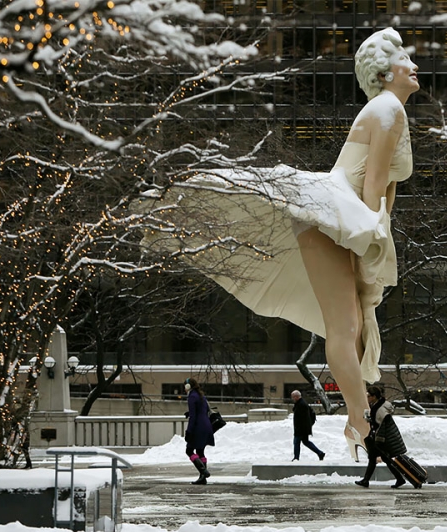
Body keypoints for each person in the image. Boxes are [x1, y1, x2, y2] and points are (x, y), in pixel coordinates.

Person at [137, 28, 418, 461]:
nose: (413, 64)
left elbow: (378, 186)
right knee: (345, 328)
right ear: (384, 72)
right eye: (404, 57)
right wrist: (373, 238)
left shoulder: (386, 108)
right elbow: (376, 183)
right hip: (333, 215)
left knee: (352, 329)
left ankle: (359, 419)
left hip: (334, 215)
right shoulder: (387, 108)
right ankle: (362, 420)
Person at [355, 385, 407, 488]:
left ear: (374, 396)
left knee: (377, 458)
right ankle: (399, 479)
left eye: (369, 396)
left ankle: (366, 480)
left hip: (382, 438)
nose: (368, 398)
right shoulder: (377, 405)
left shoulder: (380, 409)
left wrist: (379, 439)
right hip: (380, 436)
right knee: (380, 458)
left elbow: (383, 425)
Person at [184, 378, 215, 485]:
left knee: (189, 450)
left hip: (198, 427)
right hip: (206, 426)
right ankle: (203, 478)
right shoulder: (201, 395)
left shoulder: (192, 396)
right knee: (200, 451)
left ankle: (203, 471)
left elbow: (193, 417)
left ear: (188, 386)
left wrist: (189, 431)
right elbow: (204, 410)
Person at [291, 390, 325, 461]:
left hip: (301, 429)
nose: (292, 398)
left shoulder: (301, 405)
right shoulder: (301, 404)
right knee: (306, 442)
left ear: (297, 397)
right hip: (304, 428)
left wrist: (299, 428)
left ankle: (296, 458)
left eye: (293, 397)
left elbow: (303, 419)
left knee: (296, 442)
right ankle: (320, 453)